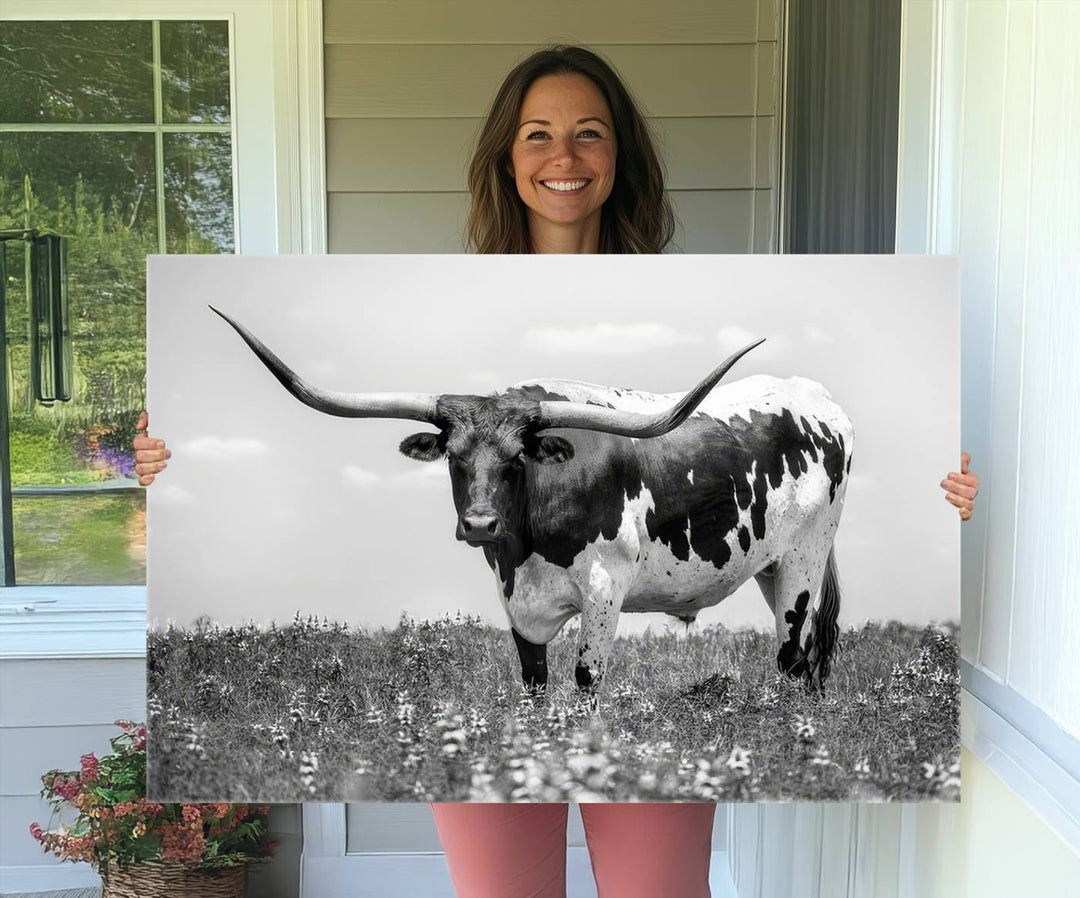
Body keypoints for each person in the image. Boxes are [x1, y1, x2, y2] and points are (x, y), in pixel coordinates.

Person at [134, 45, 978, 898]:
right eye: (537, 135)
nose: (563, 158)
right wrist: (161, 466)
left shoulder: (699, 293)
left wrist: (950, 493)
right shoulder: (436, 296)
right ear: (507, 156)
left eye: (589, 134)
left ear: (620, 158)